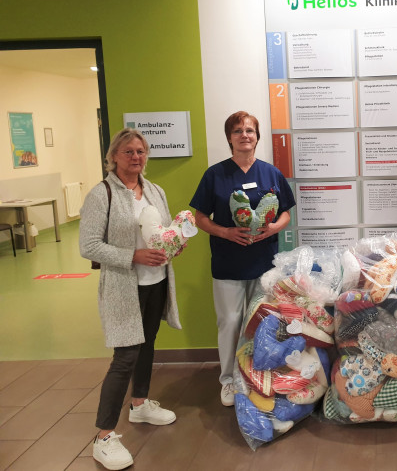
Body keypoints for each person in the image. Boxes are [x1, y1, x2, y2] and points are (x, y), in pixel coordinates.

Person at [80, 128, 181, 471]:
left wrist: (173, 244)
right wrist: (133, 256)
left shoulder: (154, 190)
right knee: (124, 356)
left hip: (155, 282)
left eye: (140, 151)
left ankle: (139, 403)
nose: (135, 157)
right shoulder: (101, 194)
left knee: (148, 343)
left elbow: (162, 231)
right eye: (128, 152)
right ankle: (103, 436)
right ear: (113, 157)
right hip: (125, 286)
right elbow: (88, 246)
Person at [190, 111, 295, 406]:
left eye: (250, 130)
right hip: (228, 262)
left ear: (257, 136)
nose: (244, 135)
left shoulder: (271, 173)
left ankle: (255, 376)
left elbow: (286, 211)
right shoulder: (215, 175)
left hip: (264, 261)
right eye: (238, 131)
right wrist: (224, 232)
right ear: (229, 138)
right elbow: (199, 217)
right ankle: (227, 380)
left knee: (262, 322)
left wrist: (274, 227)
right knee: (231, 322)